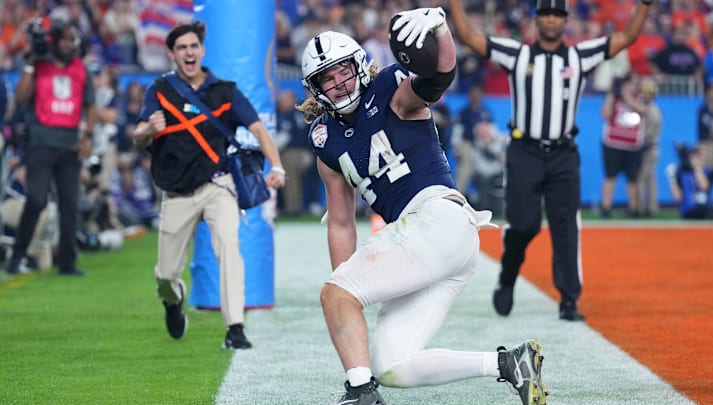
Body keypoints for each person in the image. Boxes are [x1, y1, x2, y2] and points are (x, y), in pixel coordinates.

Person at [298, 8, 546, 405]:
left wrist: (441, 29)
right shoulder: (325, 139)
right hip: (437, 243)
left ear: (360, 65)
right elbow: (341, 223)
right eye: (327, 77)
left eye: (343, 70)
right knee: (390, 363)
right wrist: (349, 287)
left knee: (335, 295)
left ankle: (360, 395)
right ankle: (510, 364)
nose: (339, 82)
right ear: (315, 87)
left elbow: (439, 76)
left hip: (436, 218)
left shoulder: (389, 89)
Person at [449, 0, 652, 321]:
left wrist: (643, 5)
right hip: (525, 151)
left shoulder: (579, 55)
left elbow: (625, 38)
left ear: (565, 20)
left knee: (566, 227)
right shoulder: (518, 54)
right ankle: (508, 275)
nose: (552, 20)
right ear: (537, 18)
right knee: (524, 224)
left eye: (558, 14)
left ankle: (569, 300)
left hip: (563, 153)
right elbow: (471, 38)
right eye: (546, 13)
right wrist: (455, 5)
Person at [131, 22, 285, 349]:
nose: (189, 52)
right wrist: (148, 131)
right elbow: (137, 135)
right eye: (182, 48)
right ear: (172, 54)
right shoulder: (159, 90)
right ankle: (174, 300)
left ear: (202, 50)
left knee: (229, 247)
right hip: (177, 192)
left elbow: (259, 130)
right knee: (165, 276)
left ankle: (235, 329)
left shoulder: (224, 90)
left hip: (219, 184)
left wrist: (278, 166)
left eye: (193, 46)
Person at [5, 22, 96, 276]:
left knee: (70, 204)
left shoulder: (80, 68)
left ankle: (67, 262)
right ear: (54, 42)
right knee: (36, 199)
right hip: (40, 142)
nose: (68, 44)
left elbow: (90, 105)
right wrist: (31, 62)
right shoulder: (40, 65)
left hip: (69, 144)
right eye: (64, 39)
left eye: (72, 39)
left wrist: (87, 135)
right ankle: (17, 256)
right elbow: (22, 97)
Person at [599, 75, 647, 218]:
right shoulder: (614, 98)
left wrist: (626, 95)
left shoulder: (641, 96)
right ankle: (606, 206)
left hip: (632, 145)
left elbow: (642, 110)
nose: (632, 86)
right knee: (610, 176)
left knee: (633, 178)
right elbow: (605, 114)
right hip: (612, 143)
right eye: (629, 83)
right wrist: (610, 96)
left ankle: (633, 207)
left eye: (634, 83)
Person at [666, 144, 713, 219]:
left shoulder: (710, 172)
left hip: (706, 209)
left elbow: (704, 187)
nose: (701, 158)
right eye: (698, 155)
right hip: (689, 210)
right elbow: (678, 198)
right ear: (691, 157)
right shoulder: (682, 173)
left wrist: (697, 168)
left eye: (703, 155)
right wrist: (672, 180)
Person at [636, 77, 662, 217]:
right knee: (647, 179)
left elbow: (648, 134)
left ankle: (647, 208)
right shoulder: (647, 108)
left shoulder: (652, 111)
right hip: (648, 147)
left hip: (649, 148)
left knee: (645, 178)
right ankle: (647, 207)